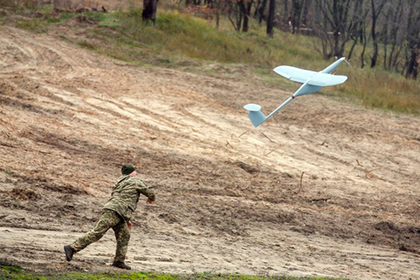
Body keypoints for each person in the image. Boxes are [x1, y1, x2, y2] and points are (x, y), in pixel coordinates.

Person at [64, 164, 155, 270]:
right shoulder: (134, 180)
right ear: (131, 173)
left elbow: (122, 199)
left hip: (118, 212)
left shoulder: (119, 182)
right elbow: (150, 191)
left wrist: (127, 220)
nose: (137, 173)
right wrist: (151, 198)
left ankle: (119, 261)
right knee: (98, 232)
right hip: (114, 212)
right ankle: (72, 247)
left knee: (124, 235)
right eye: (135, 171)